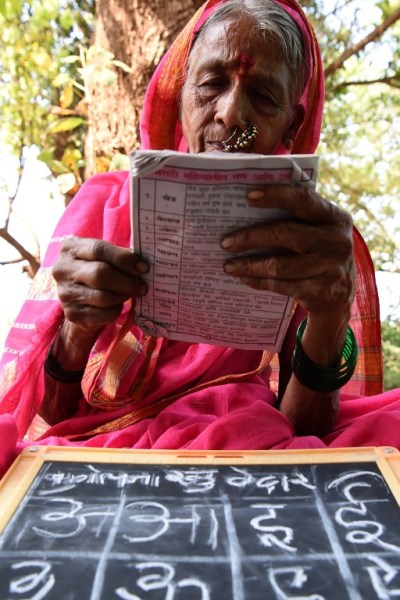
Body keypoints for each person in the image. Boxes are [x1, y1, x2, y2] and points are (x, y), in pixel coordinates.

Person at [0, 0, 399, 478]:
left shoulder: (312, 243)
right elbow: (53, 419)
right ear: (180, 91)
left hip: (243, 452)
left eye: (264, 97)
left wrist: (330, 314)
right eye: (211, 84)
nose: (231, 114)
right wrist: (75, 331)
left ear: (291, 124)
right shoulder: (103, 207)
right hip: (103, 454)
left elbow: (303, 435)